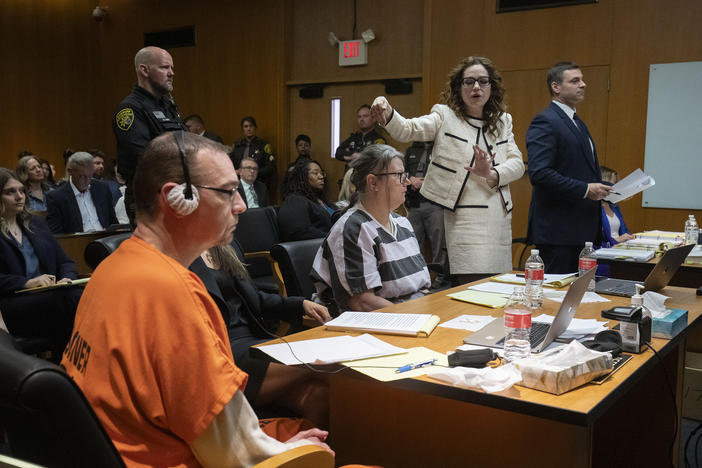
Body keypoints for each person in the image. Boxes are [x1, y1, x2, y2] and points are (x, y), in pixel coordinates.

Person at [61, 131, 334, 467]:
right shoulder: (174, 291)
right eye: (227, 192)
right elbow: (231, 456)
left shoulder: (109, 270)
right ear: (176, 197)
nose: (241, 205)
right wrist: (291, 452)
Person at [372, 56, 525, 284]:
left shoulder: (504, 121)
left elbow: (518, 164)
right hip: (463, 216)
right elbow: (407, 129)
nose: (476, 87)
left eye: (483, 81)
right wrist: (387, 108)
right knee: (471, 285)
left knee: (500, 285)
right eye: (469, 81)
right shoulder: (445, 116)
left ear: (492, 87)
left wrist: (491, 173)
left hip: (498, 216)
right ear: (458, 87)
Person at [191, 242, 331, 428]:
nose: (239, 211)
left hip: (254, 342)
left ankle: (306, 454)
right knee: (328, 365)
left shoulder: (226, 245)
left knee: (319, 395)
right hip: (222, 352)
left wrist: (300, 304)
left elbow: (255, 298)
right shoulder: (175, 254)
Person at [312, 144, 431, 313]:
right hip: (376, 323)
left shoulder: (403, 223)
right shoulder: (353, 228)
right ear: (373, 182)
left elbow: (422, 286)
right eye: (399, 175)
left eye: (405, 175)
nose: (407, 181)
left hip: (413, 313)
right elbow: (361, 302)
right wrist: (418, 317)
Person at [525, 61, 612, 273]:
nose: (583, 84)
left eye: (582, 80)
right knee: (556, 299)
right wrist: (586, 189)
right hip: (558, 233)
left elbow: (578, 171)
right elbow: (540, 173)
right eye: (575, 81)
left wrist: (608, 189)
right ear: (556, 87)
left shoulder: (577, 122)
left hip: (581, 231)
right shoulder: (546, 121)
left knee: (578, 299)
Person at [0, 168, 81, 354]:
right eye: (10, 192)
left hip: (50, 297)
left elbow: (65, 262)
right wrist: (26, 282)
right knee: (71, 299)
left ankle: (66, 370)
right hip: (12, 302)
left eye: (21, 190)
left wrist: (65, 279)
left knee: (75, 294)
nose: (19, 197)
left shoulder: (36, 224)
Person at [113, 46, 187, 224]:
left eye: (172, 68)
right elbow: (144, 160)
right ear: (144, 70)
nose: (171, 73)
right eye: (164, 67)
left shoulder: (167, 105)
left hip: (178, 193)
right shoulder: (130, 109)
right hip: (150, 200)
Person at [403, 141, 450, 289]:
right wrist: (411, 179)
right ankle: (418, 279)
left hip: (435, 204)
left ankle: (441, 278)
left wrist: (427, 183)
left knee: (439, 244)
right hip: (414, 204)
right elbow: (402, 172)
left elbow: (447, 175)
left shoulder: (442, 150)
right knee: (412, 244)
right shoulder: (411, 149)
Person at [46, 152, 117, 234]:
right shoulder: (56, 197)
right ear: (70, 171)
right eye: (81, 176)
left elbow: (113, 222)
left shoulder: (102, 188)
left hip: (105, 239)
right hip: (78, 242)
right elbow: (57, 233)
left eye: (90, 176)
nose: (87, 181)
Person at [278, 160, 335, 242]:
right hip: (315, 249)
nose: (321, 176)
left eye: (322, 173)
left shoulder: (322, 200)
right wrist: (333, 238)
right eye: (315, 173)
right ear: (302, 176)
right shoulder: (295, 200)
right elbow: (300, 232)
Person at [335, 104, 386, 169]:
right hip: (350, 176)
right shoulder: (353, 138)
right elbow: (338, 152)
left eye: (365, 116)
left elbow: (376, 159)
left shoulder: (378, 139)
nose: (361, 119)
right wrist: (353, 155)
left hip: (366, 176)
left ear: (374, 119)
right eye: (359, 117)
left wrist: (350, 154)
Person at [230, 116, 275, 187]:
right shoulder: (237, 145)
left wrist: (253, 172)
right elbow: (230, 164)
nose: (249, 129)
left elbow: (270, 168)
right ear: (242, 129)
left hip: (257, 183)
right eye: (246, 126)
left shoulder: (263, 145)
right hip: (239, 184)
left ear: (255, 128)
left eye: (251, 126)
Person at [599, 166, 635, 247]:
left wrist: (630, 237)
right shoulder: (594, 208)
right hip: (606, 250)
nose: (616, 186)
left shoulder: (613, 206)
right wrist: (616, 241)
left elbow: (624, 231)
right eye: (614, 182)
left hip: (619, 248)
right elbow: (594, 243)